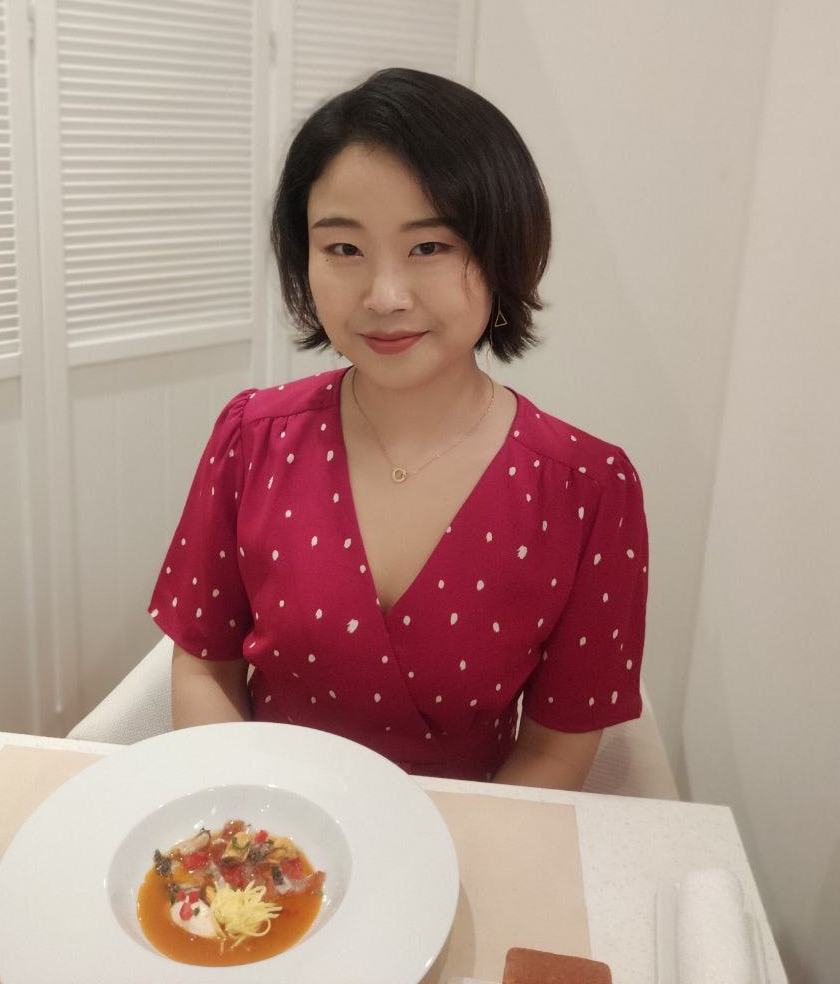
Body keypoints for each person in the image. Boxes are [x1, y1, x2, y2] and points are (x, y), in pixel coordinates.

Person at [148, 68, 648, 789]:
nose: (385, 297)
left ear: (504, 251)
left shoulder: (588, 490)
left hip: (466, 838)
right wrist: (247, 820)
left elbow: (555, 748)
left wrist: (447, 854)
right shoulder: (251, 437)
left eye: (431, 247)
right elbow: (204, 663)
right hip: (271, 830)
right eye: (344, 250)